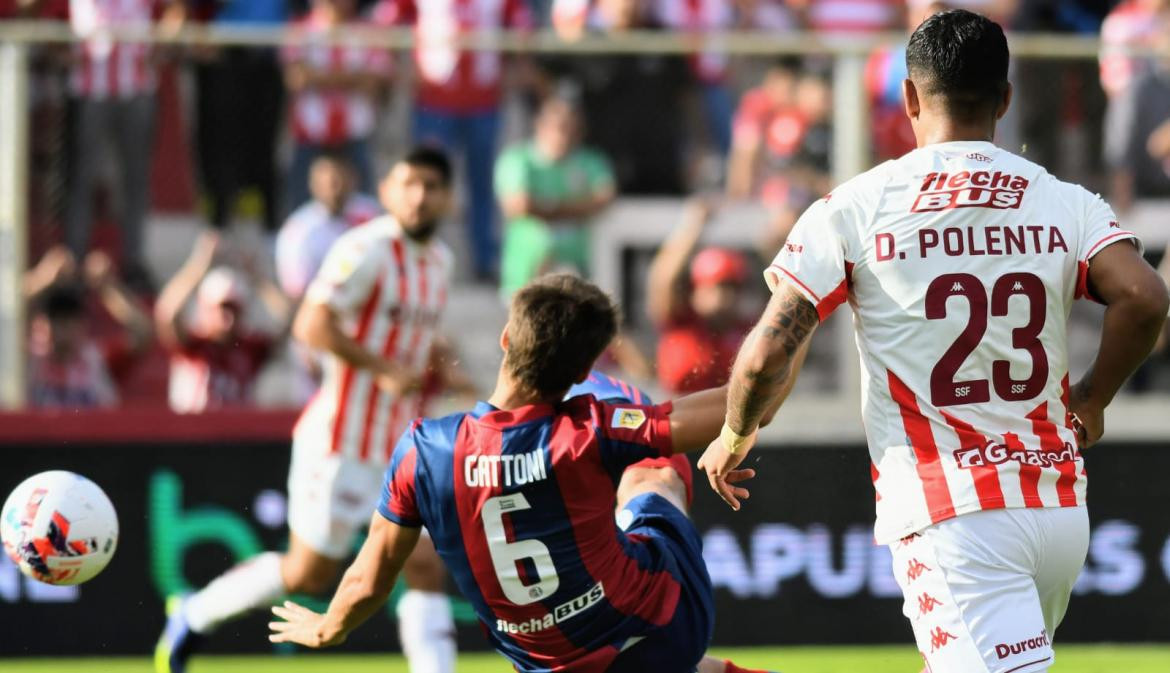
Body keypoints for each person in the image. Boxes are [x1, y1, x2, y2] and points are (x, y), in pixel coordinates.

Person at [700, 11, 1169, 673]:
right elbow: (1146, 297)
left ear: (911, 97)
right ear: (1006, 99)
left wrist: (735, 430)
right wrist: (1092, 398)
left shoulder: (858, 206)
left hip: (953, 512)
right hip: (1057, 508)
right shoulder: (1064, 201)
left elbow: (766, 353)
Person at [268, 274, 779, 673]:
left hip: (548, 662)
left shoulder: (422, 450)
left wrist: (327, 627)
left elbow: (368, 578)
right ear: (582, 375)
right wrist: (792, 317)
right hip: (662, 622)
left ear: (506, 338)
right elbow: (750, 403)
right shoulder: (589, 431)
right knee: (653, 476)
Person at [156, 148, 461, 673]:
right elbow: (311, 326)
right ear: (386, 191)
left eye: (432, 186)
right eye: (408, 184)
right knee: (309, 575)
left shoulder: (441, 263)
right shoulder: (365, 248)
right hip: (341, 442)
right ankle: (194, 610)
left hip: (396, 445)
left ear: (448, 198)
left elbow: (413, 335)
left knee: (425, 563)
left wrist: (445, 368)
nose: (419, 196)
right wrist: (383, 368)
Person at [373, 0, 534, 280]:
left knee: (481, 183)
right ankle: (421, 253)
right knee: (426, 181)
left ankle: (483, 260)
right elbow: (386, 20)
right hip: (434, 100)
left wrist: (516, 59)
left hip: (483, 101)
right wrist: (396, 63)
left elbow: (522, 25)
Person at [56, 0, 186, 289]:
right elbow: (40, 12)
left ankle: (133, 264)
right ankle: (73, 265)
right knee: (81, 179)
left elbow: (177, 9)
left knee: (135, 180)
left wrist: (161, 46)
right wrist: (58, 48)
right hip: (89, 89)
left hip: (137, 87)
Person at [154, 232, 290, 413]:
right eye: (222, 308)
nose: (229, 318)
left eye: (235, 310)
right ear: (205, 308)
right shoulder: (194, 347)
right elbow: (167, 314)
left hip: (240, 436)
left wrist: (258, 278)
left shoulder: (250, 348)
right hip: (194, 435)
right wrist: (199, 266)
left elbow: (290, 319)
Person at [494, 95, 616, 298]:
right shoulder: (517, 159)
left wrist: (546, 208)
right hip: (525, 273)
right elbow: (519, 205)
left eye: (572, 128)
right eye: (559, 127)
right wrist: (577, 209)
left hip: (577, 271)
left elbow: (604, 197)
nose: (565, 135)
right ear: (540, 125)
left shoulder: (591, 160)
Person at [281, 0, 392, 212]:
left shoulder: (369, 32)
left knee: (362, 209)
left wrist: (318, 76)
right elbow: (296, 78)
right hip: (310, 134)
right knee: (301, 210)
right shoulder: (300, 29)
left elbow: (375, 82)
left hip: (355, 134)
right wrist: (353, 77)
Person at [647, 199, 755, 395]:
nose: (725, 296)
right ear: (695, 291)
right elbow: (663, 280)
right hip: (678, 418)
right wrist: (693, 225)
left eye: (733, 288)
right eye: (716, 287)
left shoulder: (747, 331)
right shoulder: (680, 322)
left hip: (726, 423)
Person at [24, 248, 153, 409]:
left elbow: (142, 332)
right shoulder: (27, 361)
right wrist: (42, 279)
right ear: (40, 323)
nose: (63, 327)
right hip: (36, 434)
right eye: (56, 318)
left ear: (83, 324)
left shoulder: (98, 361)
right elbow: (5, 319)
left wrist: (107, 286)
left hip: (91, 434)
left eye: (71, 318)